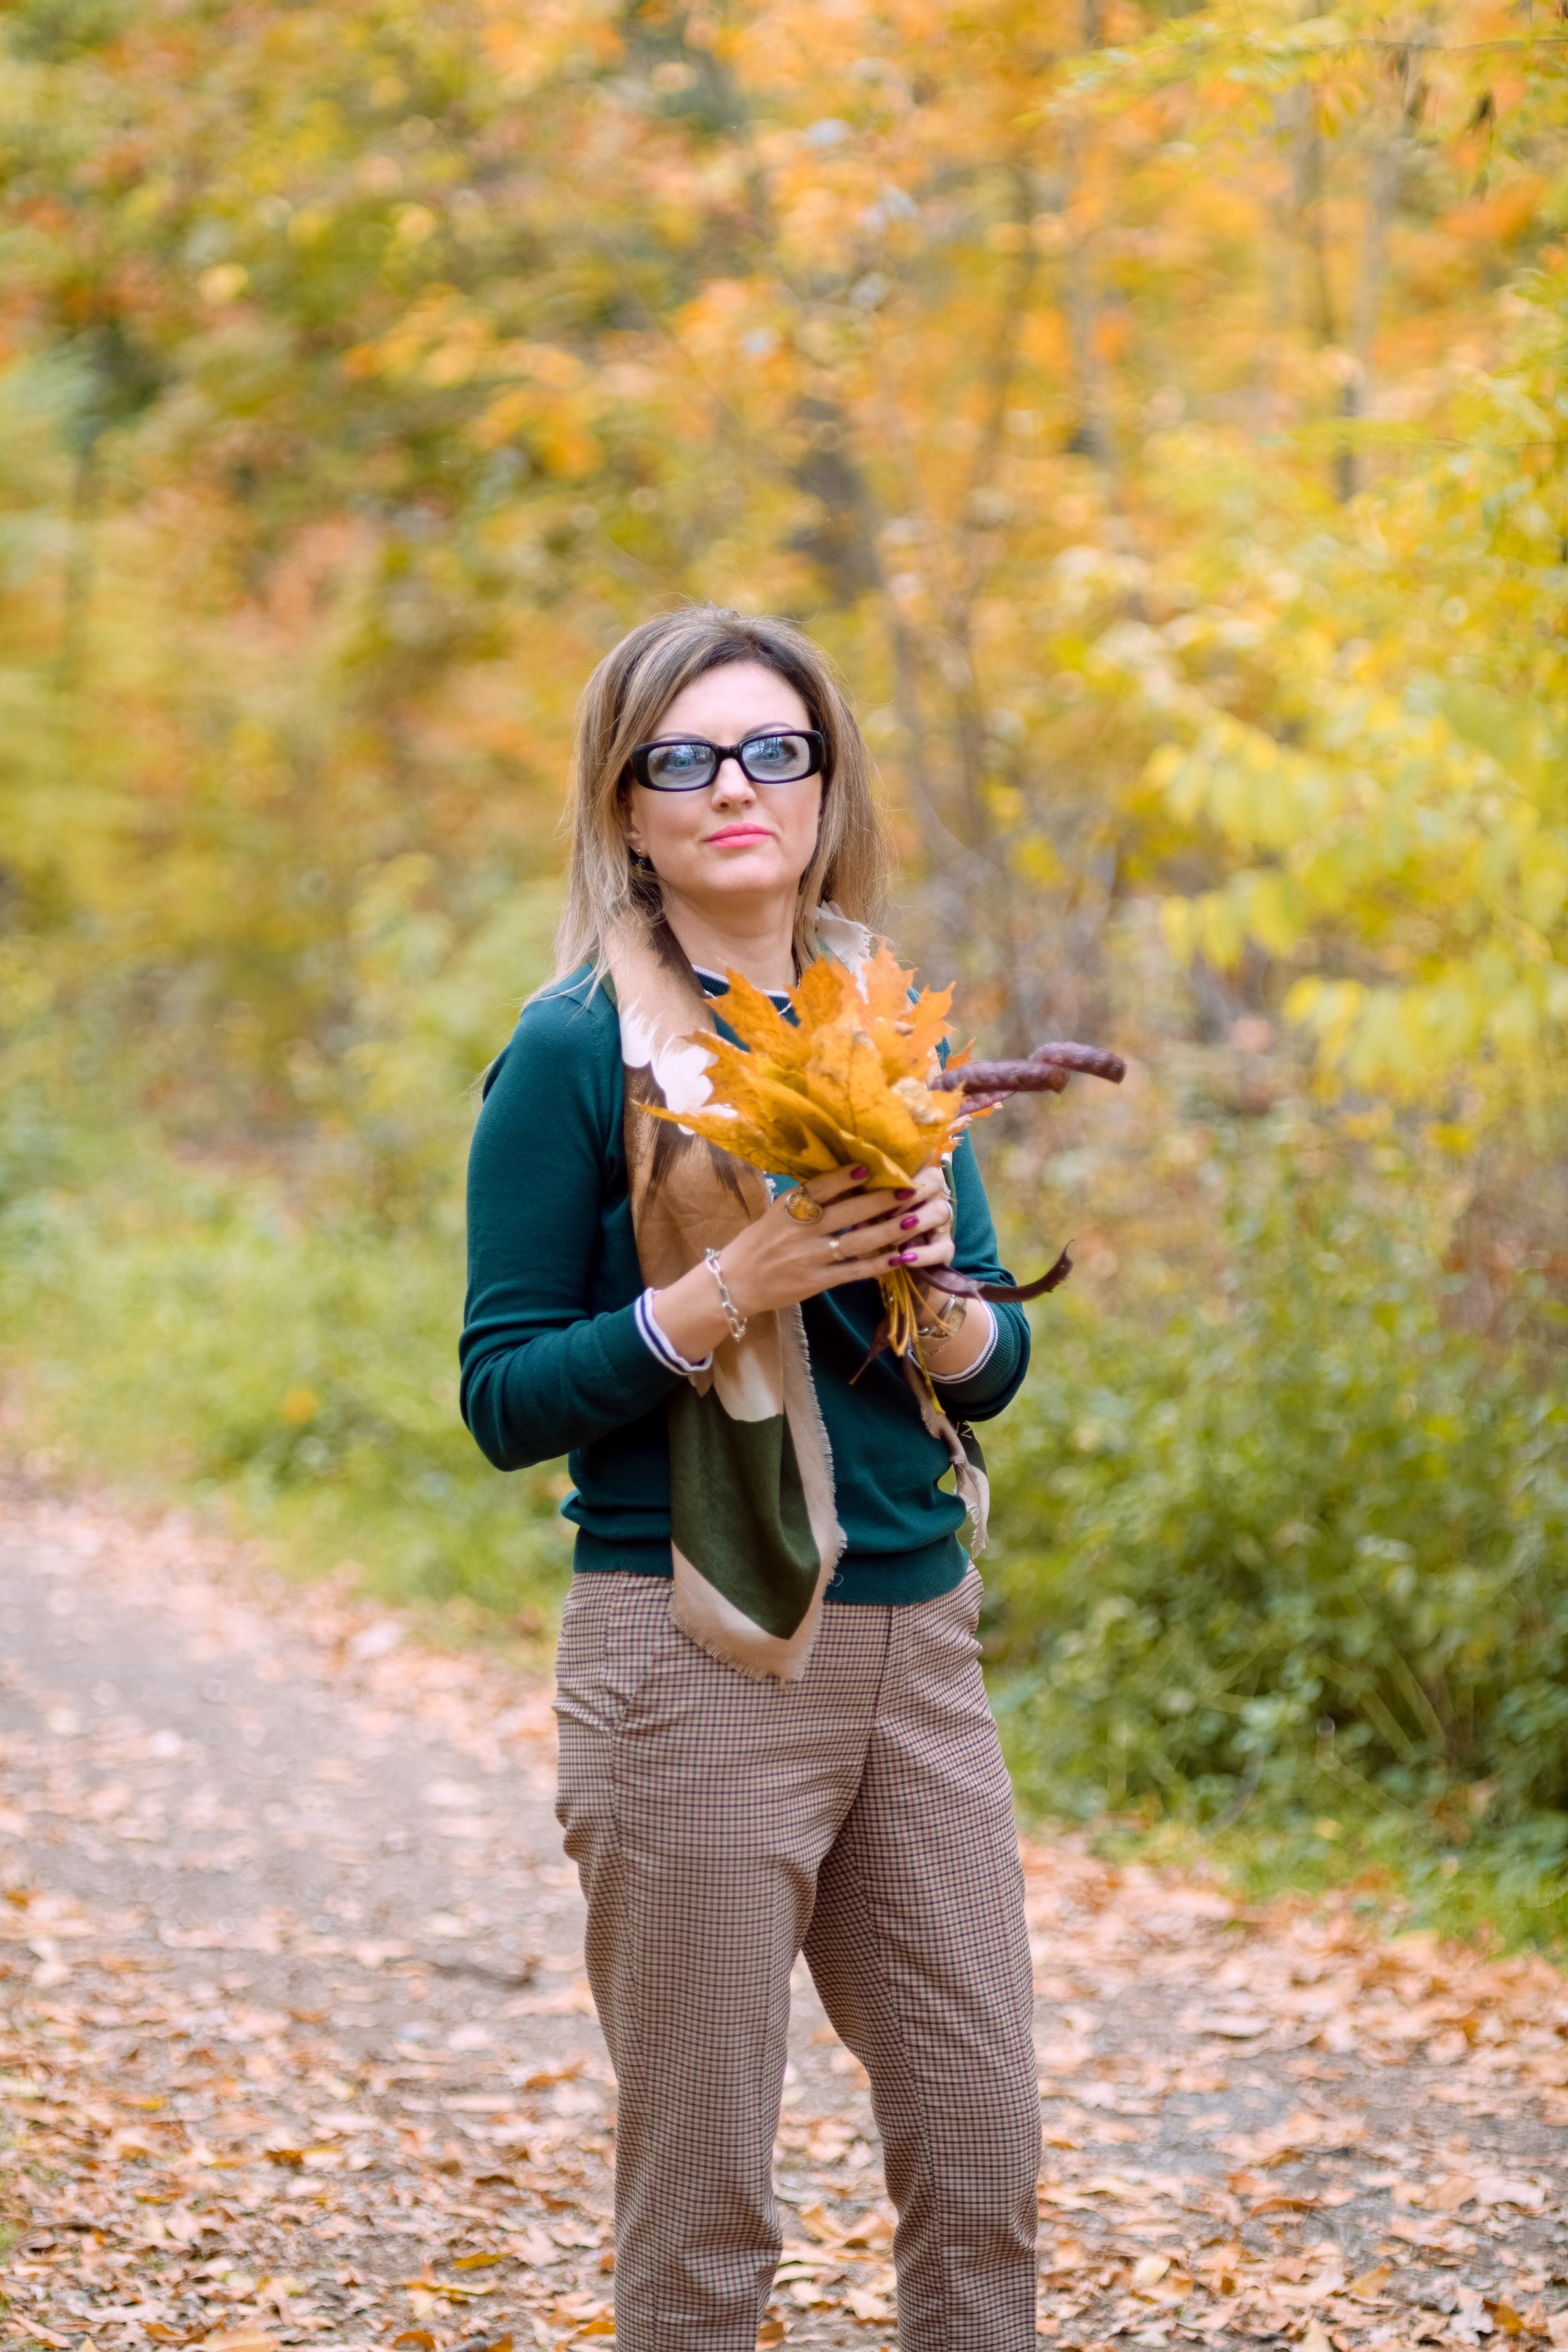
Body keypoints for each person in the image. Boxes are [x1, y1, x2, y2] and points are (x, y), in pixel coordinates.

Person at [460, 606, 1041, 2352]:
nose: (737, 787)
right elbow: (503, 1396)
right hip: (691, 1648)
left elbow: (994, 1368)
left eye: (775, 750)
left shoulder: (887, 1024)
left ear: (825, 786)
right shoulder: (576, 1050)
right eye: (687, 758)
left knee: (982, 2153)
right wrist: (735, 1286)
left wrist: (940, 1291)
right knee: (708, 2199)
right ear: (626, 809)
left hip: (917, 1650)